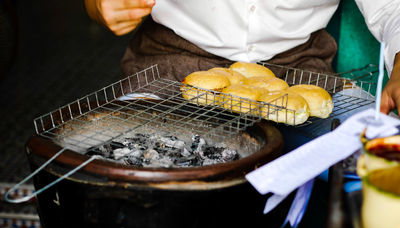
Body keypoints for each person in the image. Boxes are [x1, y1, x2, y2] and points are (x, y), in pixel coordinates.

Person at [84, 0, 400, 115]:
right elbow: (99, 5)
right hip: (173, 58)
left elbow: (391, 8)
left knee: (366, 155)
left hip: (297, 70)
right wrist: (100, 7)